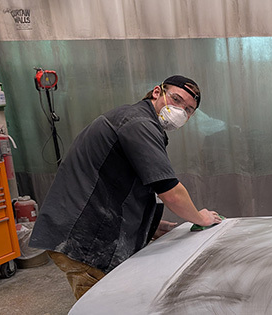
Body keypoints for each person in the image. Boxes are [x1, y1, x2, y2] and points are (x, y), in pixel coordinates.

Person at [29, 75, 223, 300]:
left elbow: (117, 183)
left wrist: (148, 224)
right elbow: (170, 190)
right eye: (176, 99)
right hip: (84, 238)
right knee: (108, 305)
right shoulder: (138, 123)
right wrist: (200, 218)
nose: (181, 111)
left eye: (188, 110)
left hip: (86, 229)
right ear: (157, 92)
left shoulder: (137, 121)